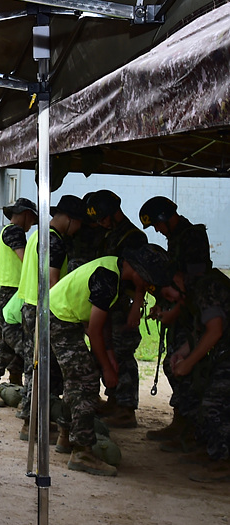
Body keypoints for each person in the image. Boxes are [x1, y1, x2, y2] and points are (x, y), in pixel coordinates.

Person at [48, 245, 169, 476]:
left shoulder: (115, 271)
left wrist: (110, 356)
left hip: (65, 316)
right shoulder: (108, 278)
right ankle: (82, 451)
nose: (147, 285)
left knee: (78, 380)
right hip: (58, 317)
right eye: (147, 278)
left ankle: (66, 435)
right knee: (86, 381)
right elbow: (94, 330)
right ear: (137, 270)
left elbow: (101, 323)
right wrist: (106, 369)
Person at [139, 195, 213, 443]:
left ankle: (190, 426)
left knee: (183, 365)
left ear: (164, 217)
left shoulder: (192, 237)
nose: (158, 231)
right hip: (180, 311)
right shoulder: (176, 239)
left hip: (192, 314)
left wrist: (175, 309)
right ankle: (181, 421)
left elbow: (190, 284)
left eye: (157, 225)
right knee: (174, 363)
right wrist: (161, 303)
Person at [14, 194, 85, 438]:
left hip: (30, 305)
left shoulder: (38, 236)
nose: (79, 229)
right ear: (69, 219)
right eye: (79, 223)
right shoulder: (54, 242)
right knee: (44, 368)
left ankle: (30, 421)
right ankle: (35, 425)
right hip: (44, 309)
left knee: (33, 366)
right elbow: (53, 282)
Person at [154, 265, 230, 482]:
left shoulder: (206, 288)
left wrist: (189, 363)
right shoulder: (196, 290)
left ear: (177, 279)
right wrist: (182, 353)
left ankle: (223, 461)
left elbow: (215, 330)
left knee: (214, 404)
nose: (173, 300)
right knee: (207, 399)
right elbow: (203, 330)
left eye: (169, 294)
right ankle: (211, 449)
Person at [84, 190, 148, 429]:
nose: (99, 223)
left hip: (125, 305)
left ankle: (126, 407)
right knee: (106, 350)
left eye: (102, 218)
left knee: (122, 354)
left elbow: (141, 276)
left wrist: (137, 307)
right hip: (109, 302)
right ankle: (114, 398)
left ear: (113, 213)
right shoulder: (109, 234)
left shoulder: (133, 238)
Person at [0, 197, 37, 406]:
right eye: (32, 219)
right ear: (26, 214)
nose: (33, 224)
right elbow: (26, 259)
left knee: (20, 339)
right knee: (8, 341)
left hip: (18, 292)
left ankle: (14, 384)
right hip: (12, 294)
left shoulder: (12, 231)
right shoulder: (14, 231)